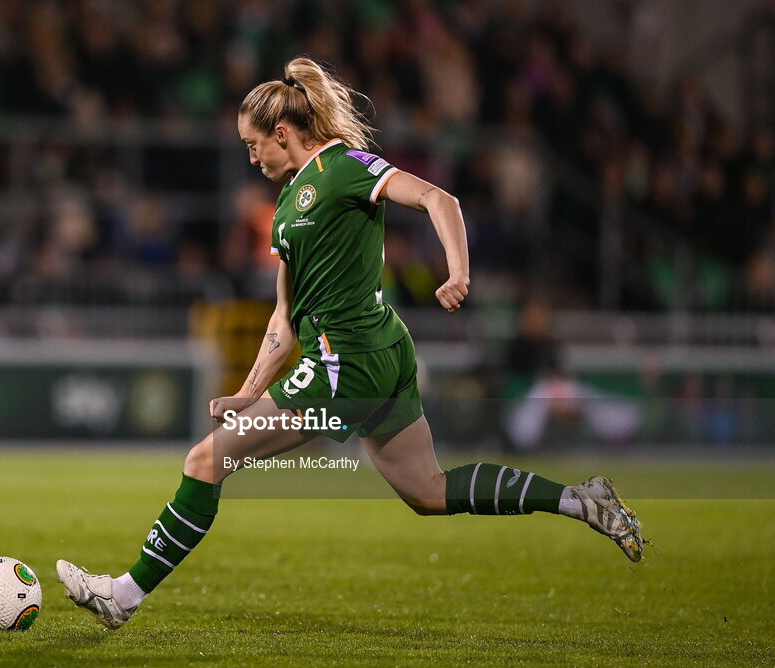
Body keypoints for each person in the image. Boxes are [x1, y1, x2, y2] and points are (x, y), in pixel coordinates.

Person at [56, 58, 645, 630]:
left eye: (252, 143)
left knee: (204, 462)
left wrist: (457, 271)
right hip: (375, 354)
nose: (250, 155)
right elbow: (283, 319)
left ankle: (123, 596)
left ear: (281, 133)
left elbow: (442, 200)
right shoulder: (289, 203)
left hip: (348, 359)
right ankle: (578, 500)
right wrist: (246, 392)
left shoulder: (344, 167)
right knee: (428, 491)